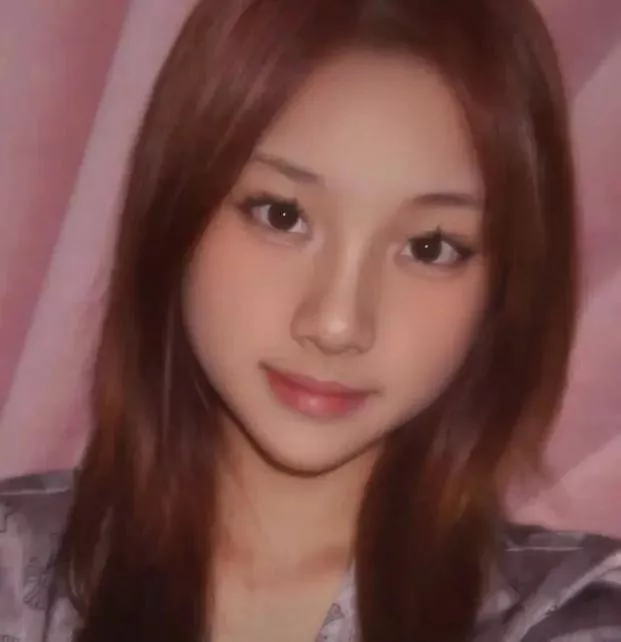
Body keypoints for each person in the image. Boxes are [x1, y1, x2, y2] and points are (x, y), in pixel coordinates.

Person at [1, 0, 620, 640]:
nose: (336, 324)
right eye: (283, 215)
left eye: (429, 247)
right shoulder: (15, 579)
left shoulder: (576, 614)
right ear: (176, 207)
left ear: (508, 284)